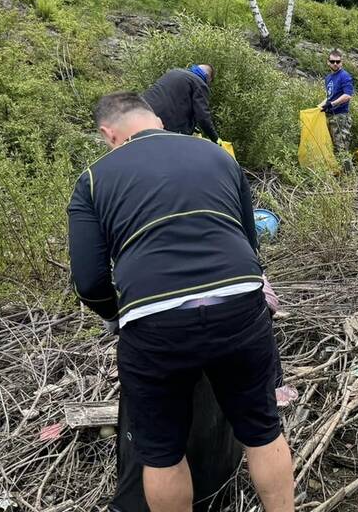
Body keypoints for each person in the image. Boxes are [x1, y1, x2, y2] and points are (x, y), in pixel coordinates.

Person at [67, 93, 294, 512]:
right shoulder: (216, 155)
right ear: (155, 119)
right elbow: (249, 240)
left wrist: (119, 317)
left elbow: (90, 281)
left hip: (155, 324)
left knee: (162, 453)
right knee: (262, 431)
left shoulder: (94, 179)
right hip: (239, 307)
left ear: (108, 133)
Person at [141, 64, 218, 142]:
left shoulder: (174, 72)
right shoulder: (200, 83)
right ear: (208, 78)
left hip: (141, 111)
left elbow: (175, 102)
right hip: (163, 124)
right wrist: (216, 139)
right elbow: (203, 117)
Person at [318, 49, 354, 158]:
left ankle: (348, 174)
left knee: (341, 147)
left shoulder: (345, 76)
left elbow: (348, 95)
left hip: (340, 117)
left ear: (341, 62)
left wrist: (332, 104)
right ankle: (338, 173)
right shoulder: (328, 78)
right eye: (332, 61)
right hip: (330, 116)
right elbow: (330, 96)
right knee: (332, 147)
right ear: (328, 62)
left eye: (337, 62)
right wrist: (320, 106)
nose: (335, 64)